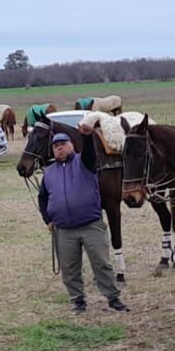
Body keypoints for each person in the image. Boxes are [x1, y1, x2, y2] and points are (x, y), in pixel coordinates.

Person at [38, 131, 129, 314]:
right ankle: (78, 301)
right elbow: (43, 198)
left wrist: (87, 136)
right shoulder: (49, 173)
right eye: (56, 146)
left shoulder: (85, 162)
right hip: (64, 229)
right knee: (69, 268)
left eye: (63, 144)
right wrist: (48, 219)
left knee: (102, 263)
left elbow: (89, 152)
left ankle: (113, 298)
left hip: (90, 224)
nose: (60, 148)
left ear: (72, 145)